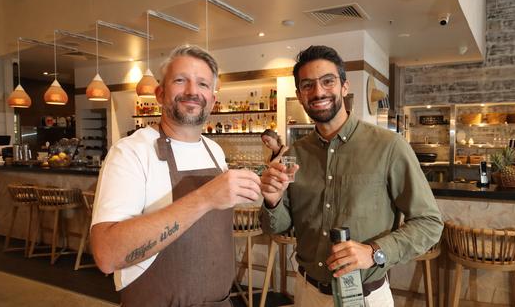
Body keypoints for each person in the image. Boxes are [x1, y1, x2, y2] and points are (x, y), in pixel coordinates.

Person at [259, 45, 443, 306]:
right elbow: (276, 227)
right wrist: (272, 202)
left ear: (344, 87)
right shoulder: (295, 154)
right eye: (308, 85)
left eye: (327, 81)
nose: (319, 92)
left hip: (366, 296)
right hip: (307, 293)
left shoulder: (389, 146)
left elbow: (429, 222)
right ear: (300, 95)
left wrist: (374, 252)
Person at [90, 45, 261, 306]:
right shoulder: (130, 152)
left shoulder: (214, 150)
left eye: (203, 84)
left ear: (213, 101)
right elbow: (107, 255)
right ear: (160, 94)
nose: (193, 91)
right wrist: (204, 198)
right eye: (181, 80)